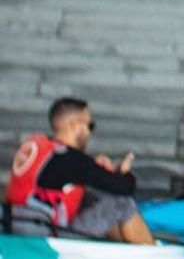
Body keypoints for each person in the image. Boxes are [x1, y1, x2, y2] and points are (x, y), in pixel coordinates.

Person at [3, 97, 154, 244]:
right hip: (49, 234)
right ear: (75, 125)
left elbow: (64, 174)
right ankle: (150, 256)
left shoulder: (38, 146)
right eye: (90, 126)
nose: (89, 133)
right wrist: (124, 172)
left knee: (92, 197)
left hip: (18, 224)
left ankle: (123, 249)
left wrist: (95, 166)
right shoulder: (71, 160)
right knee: (122, 204)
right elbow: (125, 187)